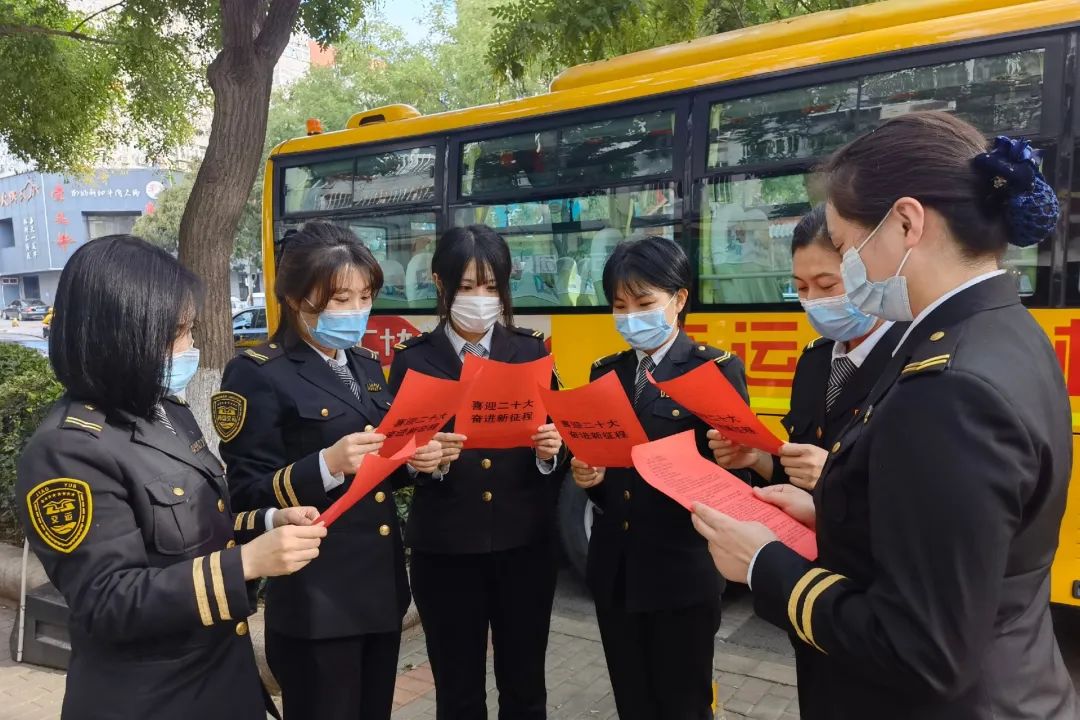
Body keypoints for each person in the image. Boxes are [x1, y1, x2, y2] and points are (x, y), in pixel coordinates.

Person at [691, 112, 1079, 719]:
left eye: (845, 248)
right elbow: (952, 544)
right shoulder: (1000, 330)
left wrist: (765, 564)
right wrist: (830, 515)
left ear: (906, 222)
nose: (846, 273)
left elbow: (922, 649)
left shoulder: (951, 390)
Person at [16, 235, 327, 720]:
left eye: (189, 330)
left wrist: (266, 525)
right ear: (120, 334)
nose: (190, 348)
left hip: (222, 680)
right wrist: (243, 564)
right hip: (153, 699)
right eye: (175, 333)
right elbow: (106, 601)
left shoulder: (164, 411)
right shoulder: (68, 449)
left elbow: (193, 529)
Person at [214, 222, 444, 720]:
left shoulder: (362, 363)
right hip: (318, 600)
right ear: (297, 299)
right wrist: (326, 464)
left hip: (380, 594)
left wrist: (419, 462)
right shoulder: (256, 373)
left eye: (365, 296)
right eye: (340, 298)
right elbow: (244, 495)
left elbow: (377, 468)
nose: (356, 311)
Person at [570, 236, 750, 720]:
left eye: (644, 302)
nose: (631, 316)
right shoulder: (606, 370)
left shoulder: (714, 369)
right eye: (619, 305)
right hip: (616, 570)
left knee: (684, 705)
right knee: (632, 701)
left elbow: (736, 475)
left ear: (679, 298)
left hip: (681, 573)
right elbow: (611, 475)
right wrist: (591, 478)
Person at [388, 224, 564, 720]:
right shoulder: (412, 360)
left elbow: (556, 441)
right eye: (466, 287)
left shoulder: (531, 350)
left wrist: (551, 451)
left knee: (525, 686)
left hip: (524, 546)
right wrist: (424, 463)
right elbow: (395, 454)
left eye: (491, 287)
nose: (480, 299)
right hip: (446, 551)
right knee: (458, 691)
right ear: (441, 285)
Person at [711, 205, 907, 490]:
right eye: (801, 288)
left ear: (874, 272)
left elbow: (925, 497)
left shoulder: (912, 361)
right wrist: (757, 458)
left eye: (827, 286)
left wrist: (835, 478)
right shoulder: (814, 360)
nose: (813, 301)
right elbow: (800, 473)